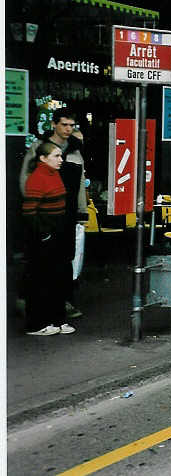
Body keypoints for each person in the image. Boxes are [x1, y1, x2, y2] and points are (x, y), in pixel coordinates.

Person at [19, 108, 88, 319]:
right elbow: (26, 179)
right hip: (45, 212)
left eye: (71, 125)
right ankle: (32, 302)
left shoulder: (76, 150)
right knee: (40, 259)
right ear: (54, 124)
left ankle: (63, 301)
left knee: (66, 259)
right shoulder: (39, 148)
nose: (68, 129)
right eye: (64, 124)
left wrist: (82, 211)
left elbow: (80, 182)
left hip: (67, 213)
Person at [21, 142, 76, 335]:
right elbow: (29, 212)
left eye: (61, 156)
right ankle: (37, 324)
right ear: (43, 159)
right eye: (56, 156)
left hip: (57, 233)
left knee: (57, 279)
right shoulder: (37, 179)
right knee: (40, 280)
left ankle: (57, 319)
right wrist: (44, 234)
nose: (61, 160)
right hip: (44, 236)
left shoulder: (54, 174)